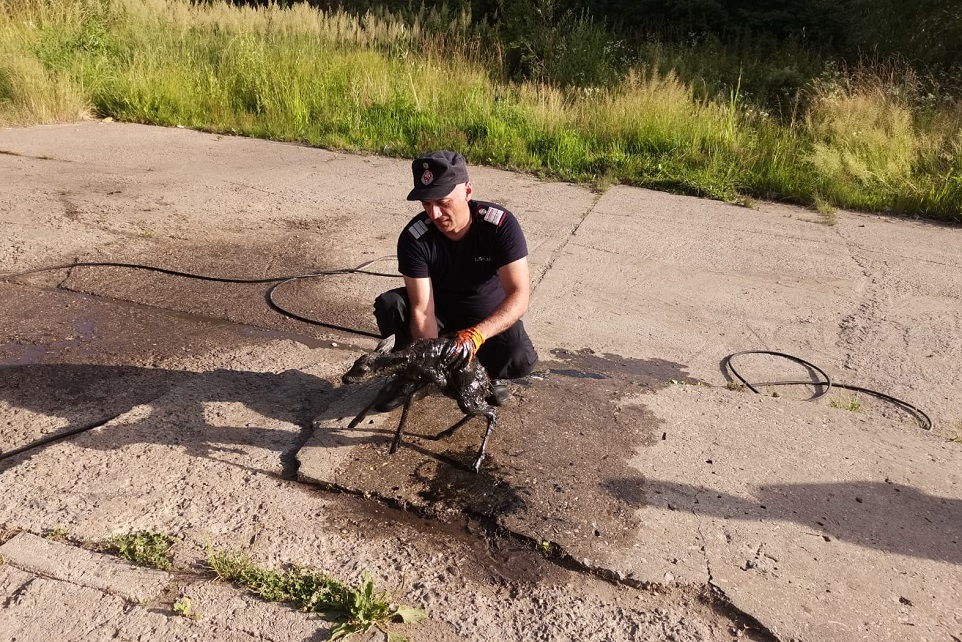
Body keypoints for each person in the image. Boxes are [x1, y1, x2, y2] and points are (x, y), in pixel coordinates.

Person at [372, 150, 538, 408]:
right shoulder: (415, 238)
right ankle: (416, 376)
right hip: (440, 316)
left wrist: (476, 335)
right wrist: (432, 361)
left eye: (443, 201)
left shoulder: (500, 226)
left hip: (483, 320)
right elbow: (422, 309)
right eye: (426, 204)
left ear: (467, 191)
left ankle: (487, 375)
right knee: (390, 305)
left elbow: (520, 295)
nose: (435, 214)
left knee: (519, 357)